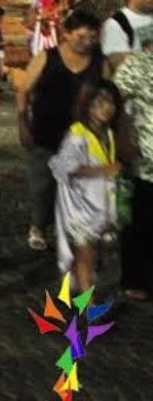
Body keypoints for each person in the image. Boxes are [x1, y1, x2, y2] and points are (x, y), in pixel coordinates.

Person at [17, 10, 107, 251]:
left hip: (82, 139)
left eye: (92, 36)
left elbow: (109, 94)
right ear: (66, 34)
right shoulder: (47, 58)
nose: (87, 41)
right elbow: (24, 91)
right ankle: (39, 225)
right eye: (81, 36)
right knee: (43, 186)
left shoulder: (100, 63)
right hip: (46, 134)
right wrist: (22, 122)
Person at [49, 80, 121, 293]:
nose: (107, 108)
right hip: (80, 211)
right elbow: (63, 166)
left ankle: (83, 303)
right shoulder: (77, 134)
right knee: (85, 261)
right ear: (87, 104)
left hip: (99, 210)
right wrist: (102, 171)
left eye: (111, 102)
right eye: (100, 102)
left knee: (90, 260)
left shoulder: (107, 133)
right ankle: (89, 314)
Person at [112, 38, 153, 302]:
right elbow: (113, 100)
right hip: (147, 158)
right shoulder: (136, 64)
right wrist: (121, 135)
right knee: (143, 220)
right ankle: (136, 278)